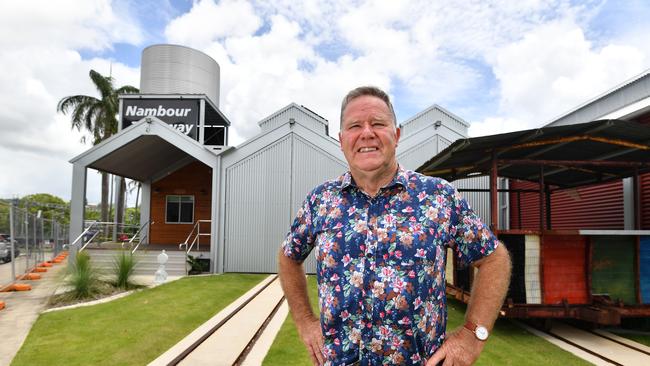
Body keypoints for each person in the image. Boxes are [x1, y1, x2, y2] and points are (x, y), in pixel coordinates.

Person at [278, 86, 511, 366]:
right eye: (354, 126)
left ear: (396, 134)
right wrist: (304, 321)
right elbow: (289, 255)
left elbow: (494, 259)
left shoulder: (438, 197)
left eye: (378, 123)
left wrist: (473, 335)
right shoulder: (321, 200)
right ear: (341, 140)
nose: (367, 133)